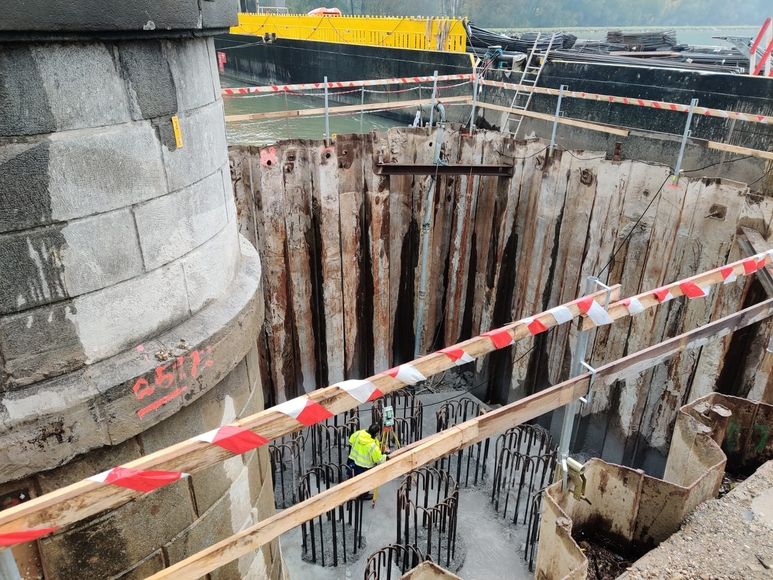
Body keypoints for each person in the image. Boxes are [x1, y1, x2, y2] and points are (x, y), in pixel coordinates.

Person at [347, 423, 388, 500]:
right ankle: (363, 496)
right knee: (364, 481)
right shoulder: (372, 446)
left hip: (352, 459)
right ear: (376, 434)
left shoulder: (359, 433)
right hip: (364, 466)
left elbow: (350, 441)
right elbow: (379, 460)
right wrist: (386, 456)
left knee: (352, 476)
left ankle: (350, 490)